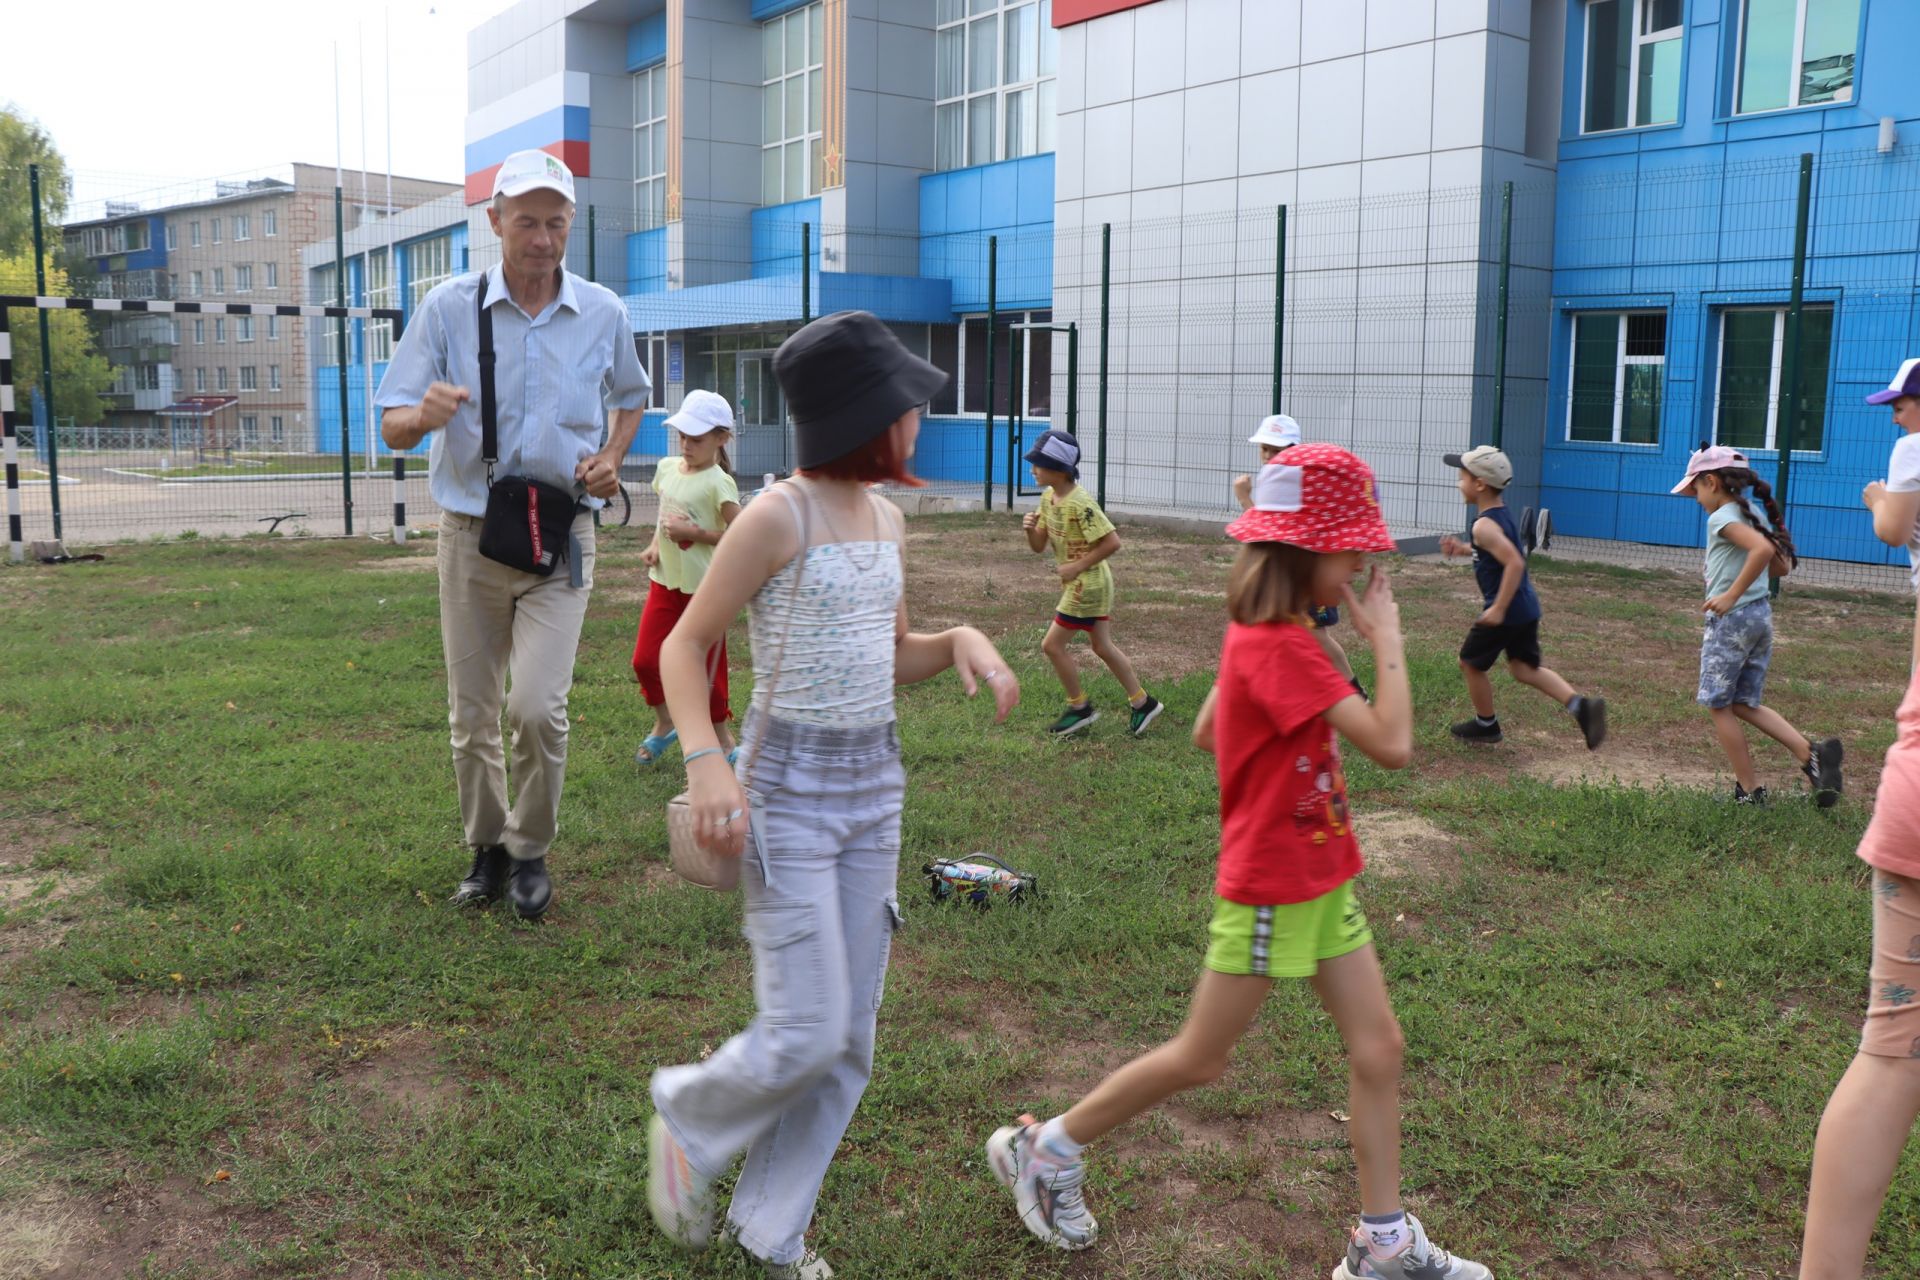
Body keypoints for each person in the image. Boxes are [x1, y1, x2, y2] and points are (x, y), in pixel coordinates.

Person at [984, 444, 1493, 1280]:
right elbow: (1395, 744)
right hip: (1274, 887)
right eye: (1350, 549)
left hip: (1321, 876)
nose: (1362, 562)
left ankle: (1384, 1244)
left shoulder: (1269, 633)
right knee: (1202, 1057)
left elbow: (1206, 730)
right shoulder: (1287, 648)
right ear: (1305, 554)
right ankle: (1046, 1148)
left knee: (1379, 1049)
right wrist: (1388, 639)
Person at [646, 311, 1020, 1280]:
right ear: (869, 415)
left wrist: (962, 638)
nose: (920, 418)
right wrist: (706, 759)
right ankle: (689, 1113)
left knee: (847, 1040)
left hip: (873, 794)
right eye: (909, 405)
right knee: (805, 1027)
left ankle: (773, 1226)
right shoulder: (778, 514)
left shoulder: (888, 519)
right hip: (787, 797)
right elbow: (688, 645)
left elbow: (894, 655)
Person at [374, 149, 651, 920]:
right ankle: (486, 848)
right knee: (473, 712)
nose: (541, 238)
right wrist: (423, 417)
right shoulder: (447, 308)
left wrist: (612, 458)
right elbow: (393, 421)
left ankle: (530, 850)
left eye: (555, 223)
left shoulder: (603, 311)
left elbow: (632, 396)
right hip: (471, 535)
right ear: (493, 222)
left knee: (535, 707)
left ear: (571, 227)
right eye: (525, 221)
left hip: (562, 537)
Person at [1800, 367, 1920, 1279]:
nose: (1901, 418)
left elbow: (1890, 529)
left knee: (1889, 1057)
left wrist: (1884, 494)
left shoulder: (1913, 455)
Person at [1670, 445, 1841, 806]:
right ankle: (1811, 754)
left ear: (1712, 482)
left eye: (1696, 490)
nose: (1697, 499)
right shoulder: (1751, 516)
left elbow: (1764, 554)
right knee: (1744, 702)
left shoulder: (1722, 518)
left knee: (1719, 706)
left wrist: (1730, 594)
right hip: (1759, 618)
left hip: (1732, 621)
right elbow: (1781, 565)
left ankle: (1749, 791)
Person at [1437, 446, 1605, 751]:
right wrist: (1462, 549)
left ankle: (1486, 725)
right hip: (1525, 607)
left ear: (1479, 484)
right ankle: (1581, 707)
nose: (1458, 483)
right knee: (1524, 669)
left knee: (1470, 664)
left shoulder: (1483, 525)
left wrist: (1498, 609)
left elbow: (1514, 561)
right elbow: (1494, 552)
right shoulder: (1500, 515)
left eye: (1462, 476)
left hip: (1507, 609)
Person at [1021, 428, 1163, 736]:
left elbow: (1112, 542)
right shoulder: (1048, 498)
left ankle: (1079, 708)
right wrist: (1030, 530)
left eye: (1038, 464)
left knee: (1052, 645)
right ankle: (1142, 703)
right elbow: (1038, 545)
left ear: (1059, 469)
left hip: (1088, 585)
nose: (1032, 469)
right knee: (1102, 646)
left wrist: (1077, 566)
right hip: (1085, 583)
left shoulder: (1080, 502)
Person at [633, 389, 742, 767]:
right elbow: (667, 515)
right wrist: (655, 545)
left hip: (705, 592)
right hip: (664, 582)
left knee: (708, 669)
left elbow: (742, 536)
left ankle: (723, 739)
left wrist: (696, 535)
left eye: (696, 439)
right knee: (646, 661)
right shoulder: (666, 469)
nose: (686, 445)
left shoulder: (719, 482)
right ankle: (665, 722)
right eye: (682, 436)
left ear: (721, 438)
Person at [1233, 413, 1357, 686]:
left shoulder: (1294, 483)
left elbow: (1265, 533)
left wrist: (1244, 498)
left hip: (1307, 572)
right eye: (1264, 448)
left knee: (1315, 635)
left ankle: (1351, 690)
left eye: (1275, 450)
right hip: (1290, 571)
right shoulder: (1276, 478)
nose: (1267, 455)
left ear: (1293, 451)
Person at [1862, 358, 1920, 635]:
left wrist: (1879, 500)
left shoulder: (1911, 447)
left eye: (1899, 409)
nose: (1895, 419)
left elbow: (1893, 533)